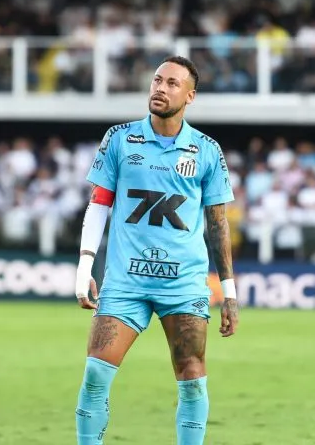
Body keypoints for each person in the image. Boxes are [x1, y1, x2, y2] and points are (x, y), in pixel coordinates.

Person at [73, 56, 238, 445]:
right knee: (96, 374)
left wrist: (229, 293)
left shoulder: (207, 151)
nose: (160, 88)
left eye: (172, 83)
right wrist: (85, 268)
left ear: (190, 96)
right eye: (157, 80)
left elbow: (218, 225)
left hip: (183, 284)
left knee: (192, 379)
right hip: (125, 281)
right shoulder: (119, 138)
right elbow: (99, 204)